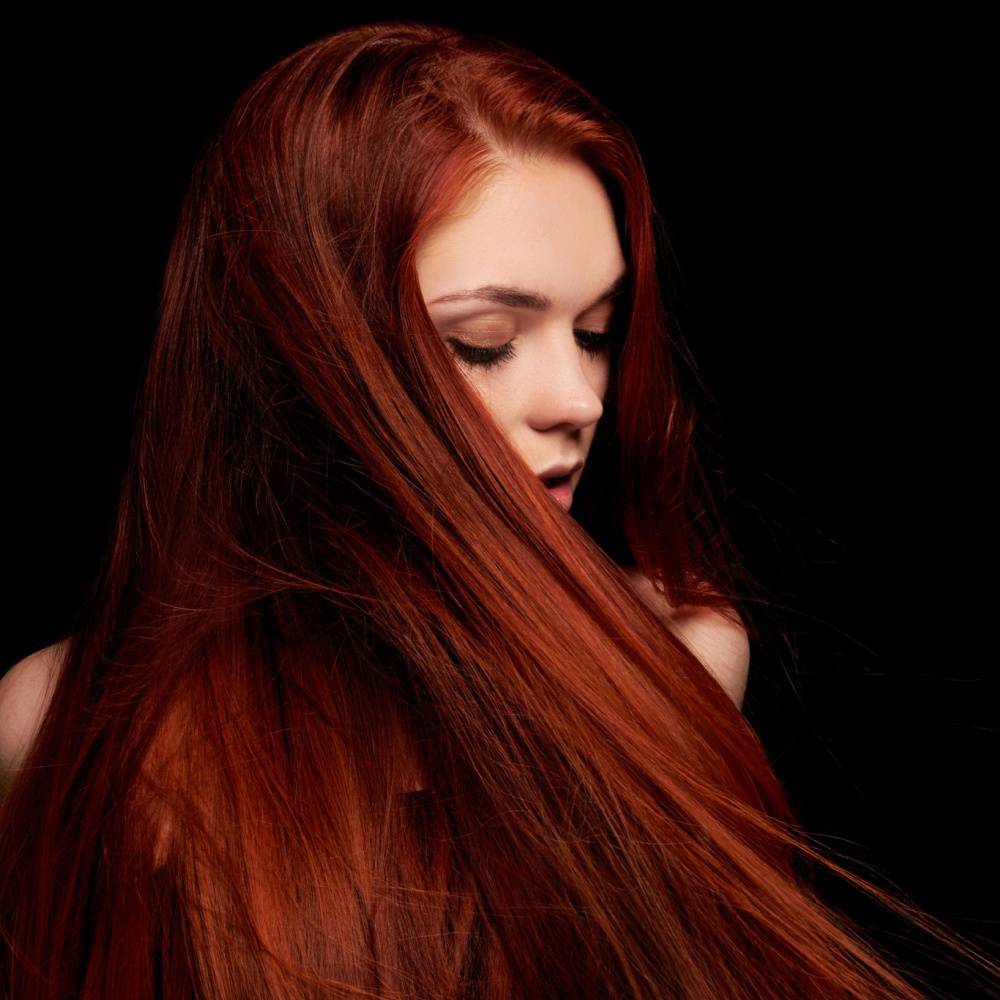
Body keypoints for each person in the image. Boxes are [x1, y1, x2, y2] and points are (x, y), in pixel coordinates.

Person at [0, 22, 984, 1000]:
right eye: (484, 341)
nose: (581, 398)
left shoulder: (676, 653)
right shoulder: (61, 723)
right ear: (296, 353)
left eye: (596, 330)